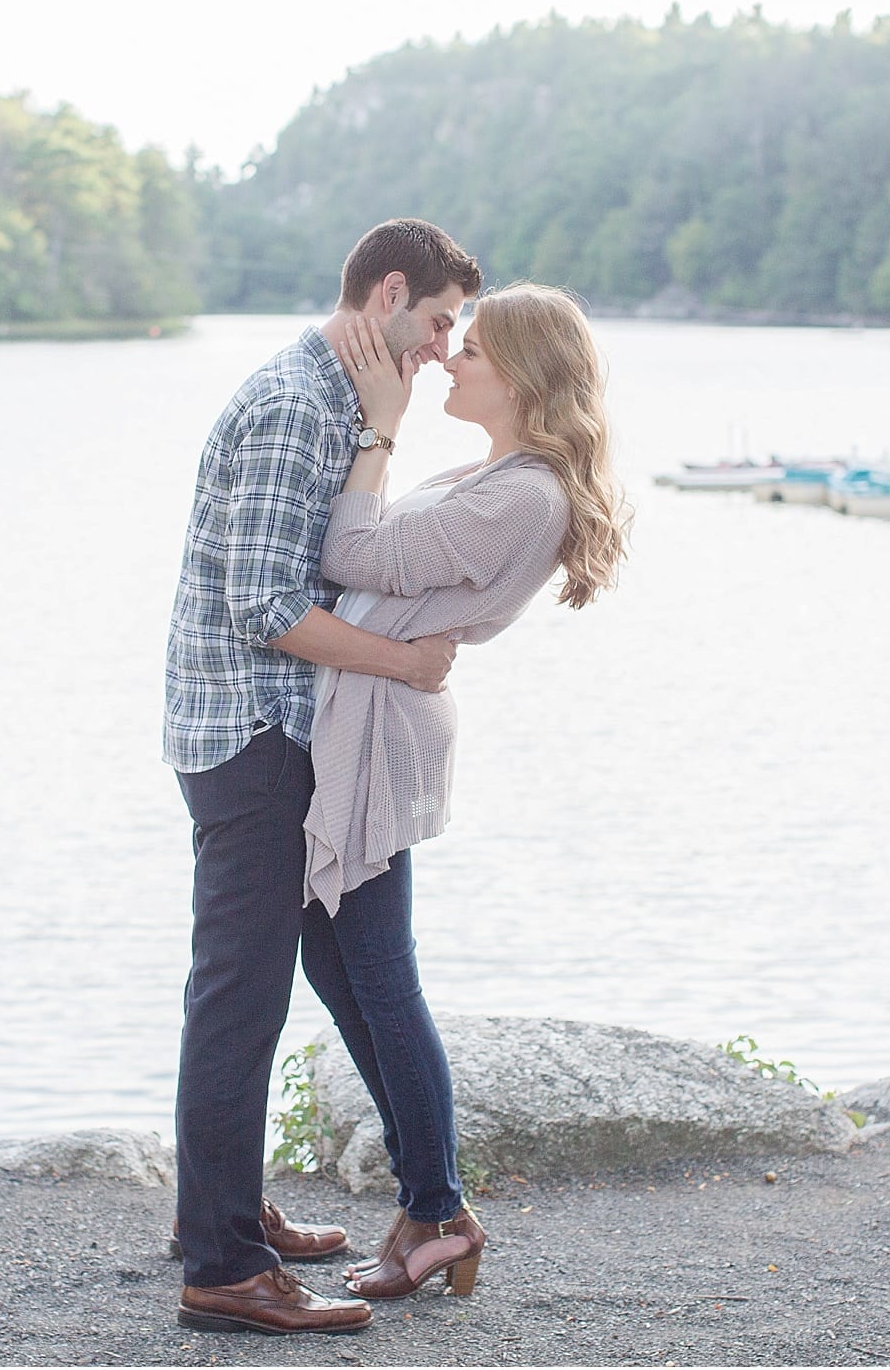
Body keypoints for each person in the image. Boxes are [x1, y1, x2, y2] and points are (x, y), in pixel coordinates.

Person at [163, 218, 483, 1336]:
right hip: (252, 735)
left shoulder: (334, 400)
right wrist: (406, 661)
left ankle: (226, 1210)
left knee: (251, 987)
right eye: (439, 320)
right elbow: (266, 606)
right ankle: (221, 1267)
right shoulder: (300, 406)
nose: (446, 347)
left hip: (268, 735)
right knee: (239, 997)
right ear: (389, 292)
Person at [297, 283, 632, 1301]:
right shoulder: (495, 474)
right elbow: (373, 566)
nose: (451, 358)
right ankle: (428, 1202)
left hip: (380, 733)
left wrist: (377, 425)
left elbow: (350, 550)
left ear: (526, 376)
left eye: (473, 350)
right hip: (369, 714)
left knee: (378, 973)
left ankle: (440, 1208)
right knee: (338, 963)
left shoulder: (521, 495)